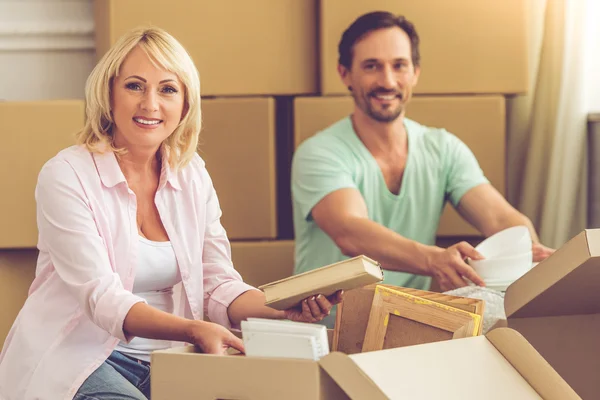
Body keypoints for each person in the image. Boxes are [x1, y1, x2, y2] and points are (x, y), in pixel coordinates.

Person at [0, 27, 341, 400]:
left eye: (167, 89)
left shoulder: (192, 173)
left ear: (185, 104)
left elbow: (217, 283)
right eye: (134, 86)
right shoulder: (66, 175)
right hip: (81, 358)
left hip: (171, 358)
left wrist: (280, 308)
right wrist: (194, 330)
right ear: (108, 92)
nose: (150, 104)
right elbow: (102, 297)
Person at [291, 11, 553, 325]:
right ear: (345, 73)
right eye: (372, 66)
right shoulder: (319, 152)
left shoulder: (442, 148)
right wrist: (433, 259)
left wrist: (527, 250)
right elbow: (350, 231)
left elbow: (499, 217)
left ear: (415, 72)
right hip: (329, 332)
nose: (387, 81)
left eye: (399, 65)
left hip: (409, 327)